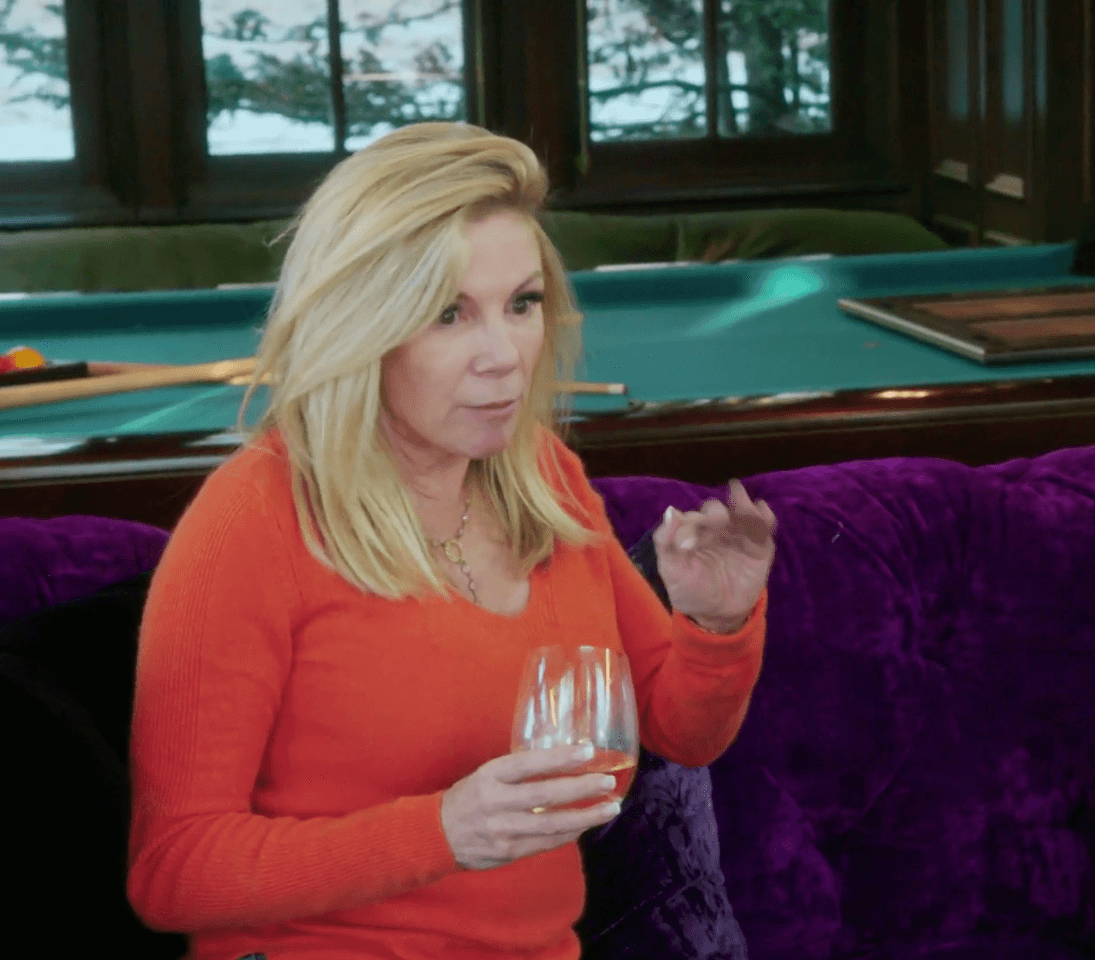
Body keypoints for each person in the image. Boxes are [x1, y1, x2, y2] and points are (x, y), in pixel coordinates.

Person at [127, 123, 777, 960]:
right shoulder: (252, 517)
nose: (503, 357)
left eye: (522, 304)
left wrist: (718, 628)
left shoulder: (543, 473)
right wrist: (441, 832)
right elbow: (173, 871)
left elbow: (680, 730)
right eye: (448, 314)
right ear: (361, 325)